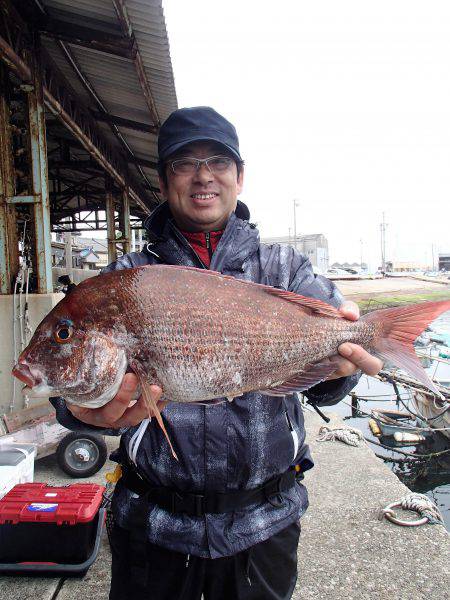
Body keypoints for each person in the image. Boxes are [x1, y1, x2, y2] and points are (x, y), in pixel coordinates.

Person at [52, 107, 382, 600]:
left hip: (264, 524)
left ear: (240, 177)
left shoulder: (285, 269)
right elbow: (71, 393)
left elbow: (333, 387)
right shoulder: (125, 276)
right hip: (152, 526)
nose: (203, 175)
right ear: (164, 181)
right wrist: (83, 414)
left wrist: (342, 367)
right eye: (185, 163)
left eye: (218, 162)